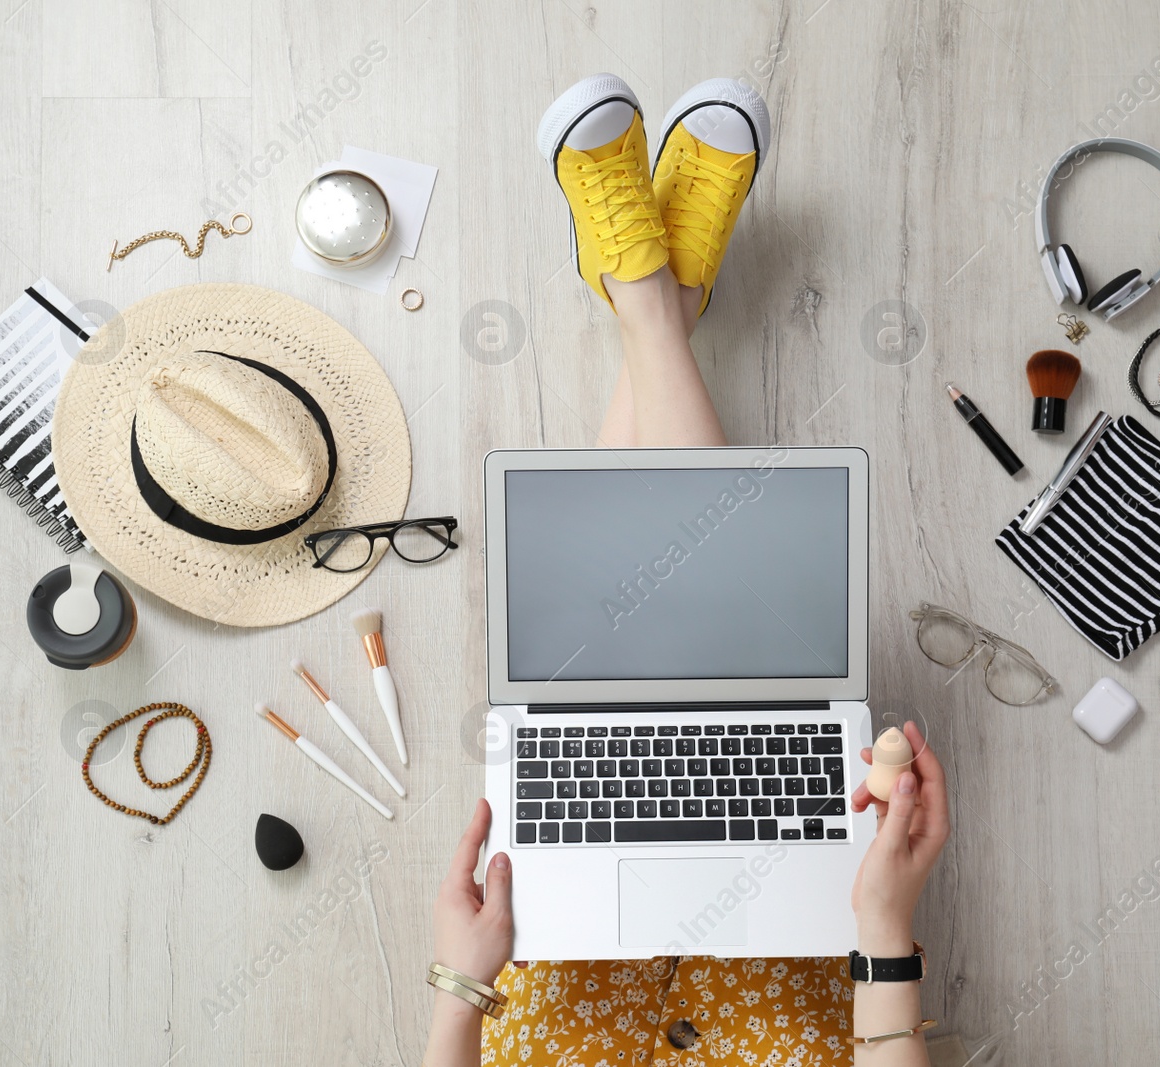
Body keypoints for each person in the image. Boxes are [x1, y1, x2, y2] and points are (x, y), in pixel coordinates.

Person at [422, 74, 951, 1067]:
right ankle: (656, 302)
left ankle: (648, 300)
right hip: (769, 1002)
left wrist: (457, 990)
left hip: (565, 1005)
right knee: (746, 673)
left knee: (590, 687)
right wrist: (884, 928)